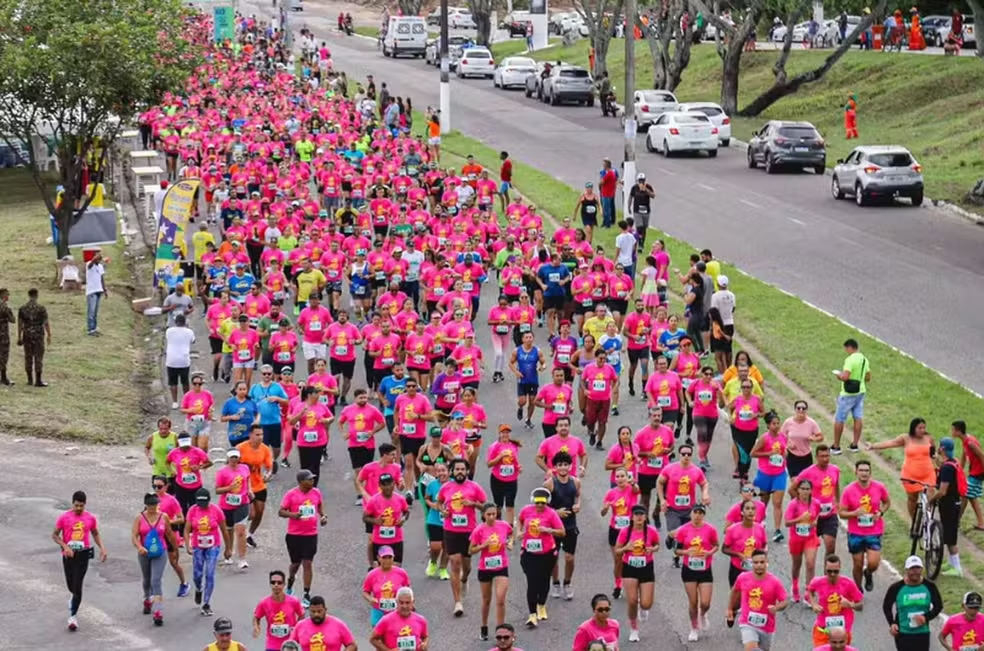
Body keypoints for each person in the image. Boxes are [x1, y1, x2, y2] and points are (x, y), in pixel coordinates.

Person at [53, 490, 108, 631]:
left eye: (81, 506)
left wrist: (102, 548)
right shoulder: (64, 517)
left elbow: (95, 533)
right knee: (71, 585)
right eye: (76, 505)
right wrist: (65, 546)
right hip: (68, 555)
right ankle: (73, 598)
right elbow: (54, 535)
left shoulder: (90, 518)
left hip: (83, 554)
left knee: (78, 585)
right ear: (72, 503)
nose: (78, 508)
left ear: (85, 505)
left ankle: (73, 617)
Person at [839, 459, 890, 593]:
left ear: (870, 472)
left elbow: (886, 502)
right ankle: (857, 589)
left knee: (873, 563)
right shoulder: (848, 490)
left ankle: (868, 573)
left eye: (866, 471)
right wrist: (855, 513)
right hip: (856, 532)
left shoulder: (879, 487)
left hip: (874, 531)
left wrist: (881, 512)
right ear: (856, 472)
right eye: (861, 470)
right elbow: (842, 513)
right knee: (858, 563)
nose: (864, 473)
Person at [279, 469, 328, 607]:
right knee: (295, 564)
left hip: (311, 534)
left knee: (307, 563)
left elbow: (319, 507)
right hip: (294, 535)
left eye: (313, 479)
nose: (312, 481)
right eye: (309, 479)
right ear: (301, 482)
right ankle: (290, 581)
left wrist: (323, 516)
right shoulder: (291, 494)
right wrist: (293, 515)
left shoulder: (316, 492)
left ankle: (306, 593)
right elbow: (281, 511)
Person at [518, 486, 564, 628]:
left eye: (543, 503)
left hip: (547, 553)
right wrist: (520, 532)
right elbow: (519, 521)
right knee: (532, 582)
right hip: (529, 552)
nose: (539, 505)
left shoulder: (551, 514)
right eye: (537, 502)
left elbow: (562, 532)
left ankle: (541, 605)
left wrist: (548, 530)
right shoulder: (526, 510)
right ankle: (532, 615)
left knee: (544, 580)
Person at [727, 549, 789, 650]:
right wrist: (729, 609)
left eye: (762, 562)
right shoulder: (743, 578)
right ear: (751, 563)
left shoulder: (774, 582)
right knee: (751, 648)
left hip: (767, 626)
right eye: (755, 562)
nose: (759, 565)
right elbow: (735, 591)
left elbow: (784, 601)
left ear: (767, 563)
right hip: (747, 623)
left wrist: (776, 608)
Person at [132, 492, 177, 626]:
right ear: (146, 506)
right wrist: (139, 546)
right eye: (151, 505)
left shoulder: (164, 517)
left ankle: (158, 611)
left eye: (156, 505)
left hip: (160, 552)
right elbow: (134, 536)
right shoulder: (139, 518)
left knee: (156, 580)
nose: (154, 508)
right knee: (147, 580)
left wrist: (174, 550)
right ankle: (147, 599)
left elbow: (169, 534)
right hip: (145, 553)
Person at [616, 504, 660, 642]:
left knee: (647, 604)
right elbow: (617, 550)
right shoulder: (625, 532)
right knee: (632, 601)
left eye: (642, 515)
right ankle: (634, 628)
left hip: (646, 566)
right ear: (632, 517)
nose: (639, 517)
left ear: (645, 517)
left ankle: (643, 607)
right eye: (636, 515)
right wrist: (626, 548)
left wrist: (652, 549)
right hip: (629, 567)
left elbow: (657, 545)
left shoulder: (651, 531)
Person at [469, 502, 513, 640]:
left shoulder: (503, 525)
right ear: (483, 515)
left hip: (501, 566)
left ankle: (500, 631)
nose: (492, 517)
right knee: (486, 600)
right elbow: (471, 550)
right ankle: (484, 626)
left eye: (494, 514)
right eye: (489, 514)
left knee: (500, 599)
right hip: (485, 567)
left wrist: (510, 542)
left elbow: (511, 533)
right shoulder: (479, 530)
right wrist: (484, 545)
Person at [185, 487, 231, 616]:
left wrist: (228, 548)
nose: (202, 506)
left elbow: (224, 529)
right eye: (200, 503)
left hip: (213, 545)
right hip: (198, 546)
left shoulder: (216, 510)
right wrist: (188, 545)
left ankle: (206, 603)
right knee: (197, 574)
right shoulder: (193, 510)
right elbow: (187, 528)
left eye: (204, 503)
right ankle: (199, 588)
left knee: (210, 573)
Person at [882, 555, 943, 651]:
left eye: (917, 568)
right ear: (906, 570)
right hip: (903, 632)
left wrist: (925, 617)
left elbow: (938, 606)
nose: (915, 571)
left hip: (922, 632)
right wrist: (892, 623)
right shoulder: (896, 588)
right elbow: (886, 606)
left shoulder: (929, 586)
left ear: (922, 569)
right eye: (912, 568)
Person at [806, 554, 863, 649]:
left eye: (836, 571)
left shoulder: (848, 584)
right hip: (823, 630)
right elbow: (810, 590)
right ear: (825, 569)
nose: (832, 574)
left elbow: (860, 606)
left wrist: (850, 604)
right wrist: (813, 604)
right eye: (829, 571)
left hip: (842, 633)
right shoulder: (817, 582)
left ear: (840, 568)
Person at [932, 437, 966, 577]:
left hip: (949, 504)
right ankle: (951, 563)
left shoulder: (947, 468)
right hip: (954, 502)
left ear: (943, 449)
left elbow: (942, 491)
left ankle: (957, 568)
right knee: (947, 532)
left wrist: (931, 500)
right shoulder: (953, 462)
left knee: (951, 537)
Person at [831, 339, 870, 455]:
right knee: (858, 417)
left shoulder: (850, 359)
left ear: (849, 347)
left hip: (848, 393)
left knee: (839, 418)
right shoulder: (864, 359)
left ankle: (836, 446)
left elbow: (845, 377)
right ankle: (854, 444)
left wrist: (839, 375)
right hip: (861, 391)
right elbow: (868, 377)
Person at [254, 569, 305, 649]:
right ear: (270, 584)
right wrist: (256, 627)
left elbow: (302, 614)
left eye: (279, 582)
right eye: (273, 582)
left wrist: (296, 628)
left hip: (289, 643)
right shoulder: (264, 603)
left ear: (284, 584)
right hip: (272, 644)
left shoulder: (294, 601)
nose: (276, 585)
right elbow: (256, 617)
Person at [362, 545, 412, 627]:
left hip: (396, 610)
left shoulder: (401, 573)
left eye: (390, 557)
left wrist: (409, 604)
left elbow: (407, 590)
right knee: (378, 636)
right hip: (378, 610)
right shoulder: (372, 575)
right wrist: (370, 599)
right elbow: (365, 592)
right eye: (384, 557)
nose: (387, 560)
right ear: (378, 558)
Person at [371, 587, 429, 651]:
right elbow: (373, 639)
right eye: (401, 603)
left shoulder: (421, 620)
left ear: (413, 602)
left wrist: (425, 644)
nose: (404, 606)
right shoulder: (386, 620)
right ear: (396, 602)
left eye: (407, 603)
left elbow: (425, 637)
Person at [289, 595, 357, 651]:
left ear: (325, 610)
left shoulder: (338, 625)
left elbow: (352, 645)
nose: (316, 614)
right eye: (313, 611)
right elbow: (289, 646)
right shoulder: (300, 626)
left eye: (319, 611)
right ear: (309, 611)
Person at [953, 420, 984, 530]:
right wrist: (959, 471)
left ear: (958, 431)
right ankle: (981, 523)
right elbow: (964, 456)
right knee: (971, 497)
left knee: (965, 495)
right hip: (974, 472)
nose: (951, 432)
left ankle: (955, 521)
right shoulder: (965, 440)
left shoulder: (970, 443)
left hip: (978, 472)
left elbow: (982, 456)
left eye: (953, 429)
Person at [17, 287, 51, 387]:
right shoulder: (41, 308)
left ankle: (29, 379)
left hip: (27, 334)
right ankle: (38, 380)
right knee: (38, 357)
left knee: (28, 357)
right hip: (38, 335)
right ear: (36, 295)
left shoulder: (23, 308)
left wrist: (19, 336)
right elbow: (46, 323)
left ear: (29, 295)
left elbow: (20, 324)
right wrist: (49, 334)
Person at [165, 313, 196, 410]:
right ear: (185, 322)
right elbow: (193, 341)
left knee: (173, 382)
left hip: (171, 360)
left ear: (175, 322)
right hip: (184, 360)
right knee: (185, 382)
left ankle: (175, 402)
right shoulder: (189, 332)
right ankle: (186, 401)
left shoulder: (169, 331)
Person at [628, 174, 655, 249]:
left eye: (642, 180)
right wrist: (629, 206)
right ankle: (638, 242)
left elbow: (653, 196)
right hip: (637, 210)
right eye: (640, 180)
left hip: (646, 210)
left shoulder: (648, 187)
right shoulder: (634, 188)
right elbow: (631, 197)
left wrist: (646, 189)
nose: (641, 182)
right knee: (639, 226)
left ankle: (642, 243)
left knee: (644, 227)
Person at [85, 248, 107, 335]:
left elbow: (102, 279)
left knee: (95, 311)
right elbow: (91, 263)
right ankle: (90, 329)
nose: (99, 259)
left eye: (99, 258)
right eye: (97, 257)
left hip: (99, 290)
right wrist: (94, 257)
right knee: (91, 310)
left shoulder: (100, 267)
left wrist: (104, 290)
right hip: (91, 291)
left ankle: (94, 328)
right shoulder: (89, 265)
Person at [0, 287, 13, 385]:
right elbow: (12, 320)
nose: (8, 296)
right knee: (3, 356)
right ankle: (3, 378)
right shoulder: (5, 308)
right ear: (3, 296)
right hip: (3, 335)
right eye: (7, 294)